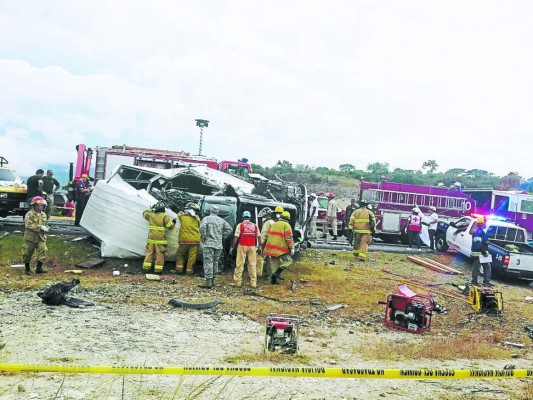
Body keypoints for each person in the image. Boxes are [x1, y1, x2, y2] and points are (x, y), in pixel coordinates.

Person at [199, 205, 233, 289]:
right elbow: (230, 229)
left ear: (210, 211)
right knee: (215, 262)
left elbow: (202, 227)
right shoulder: (222, 220)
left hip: (208, 244)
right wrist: (222, 237)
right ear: (217, 212)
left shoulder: (206, 219)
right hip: (218, 245)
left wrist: (203, 237)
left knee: (208, 262)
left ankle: (208, 282)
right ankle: (213, 280)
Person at [142, 201, 175, 274]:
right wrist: (174, 222)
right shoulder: (165, 216)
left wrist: (151, 209)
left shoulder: (151, 215)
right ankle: (157, 270)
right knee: (159, 254)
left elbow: (144, 213)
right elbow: (170, 226)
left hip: (151, 239)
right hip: (160, 240)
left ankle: (146, 268)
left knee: (149, 253)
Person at [232, 211, 261, 288]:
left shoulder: (240, 225)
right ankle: (253, 283)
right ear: (250, 218)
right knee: (252, 264)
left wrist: (233, 246)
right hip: (252, 247)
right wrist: (260, 246)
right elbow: (259, 237)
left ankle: (237, 282)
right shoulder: (255, 226)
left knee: (240, 264)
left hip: (242, 246)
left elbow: (236, 237)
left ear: (243, 217)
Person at [263, 211, 294, 284]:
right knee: (288, 261)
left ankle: (273, 282)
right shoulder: (286, 225)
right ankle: (278, 272)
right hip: (281, 249)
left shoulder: (274, 224)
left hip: (271, 248)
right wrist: (292, 247)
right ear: (287, 219)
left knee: (274, 265)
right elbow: (288, 238)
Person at [22, 196, 50, 275]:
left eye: (42, 205)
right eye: (39, 205)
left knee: (43, 250)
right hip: (31, 237)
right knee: (27, 253)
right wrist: (39, 227)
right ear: (35, 205)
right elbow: (28, 225)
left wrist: (47, 228)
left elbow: (45, 224)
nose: (41, 207)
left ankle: (39, 268)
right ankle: (27, 269)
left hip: (41, 236)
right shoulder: (29, 214)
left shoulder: (43, 214)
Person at [176, 202, 201, 275]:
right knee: (192, 257)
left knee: (180, 254)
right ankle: (189, 271)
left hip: (185, 240)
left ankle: (179, 270)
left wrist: (181, 211)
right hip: (195, 240)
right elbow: (199, 225)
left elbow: (179, 214)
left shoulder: (182, 216)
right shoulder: (197, 218)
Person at [471, 216, 494, 287]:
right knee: (477, 267)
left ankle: (486, 281)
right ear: (481, 224)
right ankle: (474, 281)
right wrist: (484, 251)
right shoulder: (478, 232)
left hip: (482, 252)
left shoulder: (480, 231)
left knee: (487, 266)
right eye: (485, 223)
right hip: (479, 253)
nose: (486, 224)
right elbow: (478, 244)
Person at [256, 207, 274, 279]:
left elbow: (263, 235)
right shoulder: (273, 222)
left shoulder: (267, 223)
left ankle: (258, 274)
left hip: (267, 243)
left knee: (260, 258)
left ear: (265, 216)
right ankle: (270, 274)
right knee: (270, 259)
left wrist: (259, 245)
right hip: (273, 243)